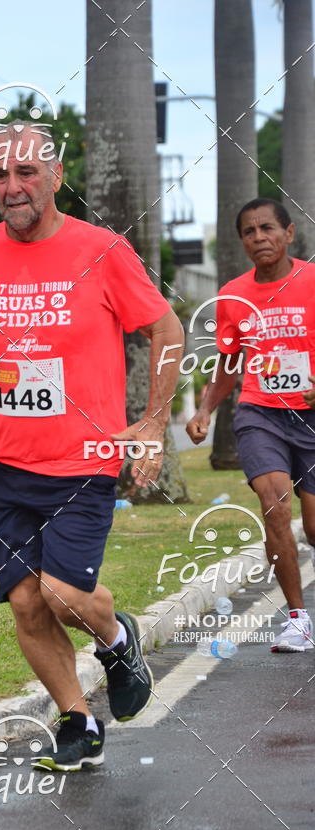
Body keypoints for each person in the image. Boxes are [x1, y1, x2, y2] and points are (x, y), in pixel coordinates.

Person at [0, 120, 184, 771]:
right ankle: (77, 719)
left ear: (55, 173)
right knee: (24, 599)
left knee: (63, 594)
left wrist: (154, 423)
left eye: (25, 173)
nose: (12, 187)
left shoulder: (101, 249)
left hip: (82, 461)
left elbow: (168, 330)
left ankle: (116, 636)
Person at [187, 198, 315, 652]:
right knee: (275, 502)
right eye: (249, 231)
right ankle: (297, 619)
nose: (258, 237)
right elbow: (228, 364)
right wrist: (205, 409)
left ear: (289, 233)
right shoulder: (233, 297)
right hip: (259, 413)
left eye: (267, 228)